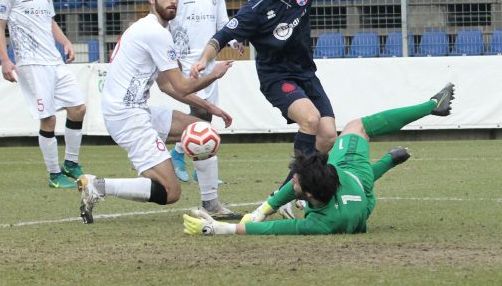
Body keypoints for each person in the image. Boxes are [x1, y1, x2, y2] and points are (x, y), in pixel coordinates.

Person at [192, 0, 403, 186]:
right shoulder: (257, 8)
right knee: (311, 120)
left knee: (328, 136)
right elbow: (220, 37)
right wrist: (203, 59)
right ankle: (289, 192)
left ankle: (298, 188)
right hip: (276, 77)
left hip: (305, 73)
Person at [76, 0, 241, 224]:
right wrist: (214, 74)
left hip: (134, 110)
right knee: (170, 192)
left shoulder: (155, 29)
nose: (173, 0)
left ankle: (211, 204)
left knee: (200, 128)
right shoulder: (155, 32)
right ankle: (98, 185)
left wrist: (212, 109)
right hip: (126, 115)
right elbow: (182, 87)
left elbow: (168, 87)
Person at [182, 82, 455, 236]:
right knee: (356, 127)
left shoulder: (320, 225)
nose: (292, 181)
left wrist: (219, 228)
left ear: (309, 194)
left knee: (357, 125)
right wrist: (258, 214)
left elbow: (274, 229)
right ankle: (431, 105)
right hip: (355, 179)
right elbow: (365, 178)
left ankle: (433, 106)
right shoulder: (332, 188)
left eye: (297, 181)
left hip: (358, 188)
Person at [0, 0, 86, 189]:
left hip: (53, 60)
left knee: (78, 108)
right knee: (49, 119)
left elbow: (49, 20)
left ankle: (71, 163)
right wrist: (5, 59)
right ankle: (54, 174)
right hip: (31, 63)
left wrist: (65, 42)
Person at [169, 0, 243, 183]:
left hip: (210, 57)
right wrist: (175, 59)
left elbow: (223, 23)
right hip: (186, 58)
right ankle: (179, 156)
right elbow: (170, 26)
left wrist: (234, 40)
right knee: (198, 111)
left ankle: (189, 162)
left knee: (206, 115)